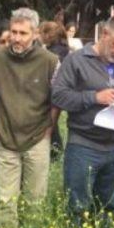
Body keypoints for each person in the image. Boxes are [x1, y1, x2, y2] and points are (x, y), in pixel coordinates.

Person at [52, 15, 114, 228]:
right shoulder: (76, 60)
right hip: (83, 145)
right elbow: (58, 96)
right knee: (78, 205)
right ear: (104, 34)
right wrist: (94, 97)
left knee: (110, 204)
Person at [0, 8, 59, 228]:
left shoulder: (50, 61)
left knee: (35, 198)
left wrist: (49, 128)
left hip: (37, 137)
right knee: (6, 200)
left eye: (23, 33)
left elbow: (57, 100)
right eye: (13, 31)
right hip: (6, 137)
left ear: (35, 34)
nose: (16, 38)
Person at [39, 21, 70, 160]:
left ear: (48, 35)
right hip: (60, 90)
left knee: (50, 120)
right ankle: (55, 150)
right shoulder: (63, 48)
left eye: (41, 33)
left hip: (53, 90)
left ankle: (55, 150)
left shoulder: (54, 53)